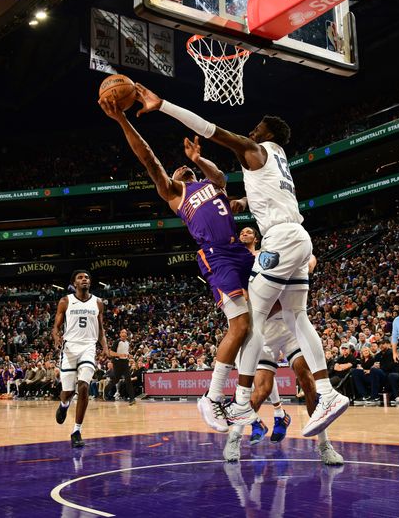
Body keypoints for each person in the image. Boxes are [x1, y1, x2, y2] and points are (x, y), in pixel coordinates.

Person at [134, 83, 348, 437]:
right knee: (296, 315)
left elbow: (208, 128)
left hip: (277, 240)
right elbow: (237, 195)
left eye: (258, 127)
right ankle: (326, 393)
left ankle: (239, 403)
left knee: (252, 321)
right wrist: (231, 195)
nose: (252, 131)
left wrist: (163, 105)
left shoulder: (254, 150)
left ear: (269, 135)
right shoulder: (277, 160)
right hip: (295, 236)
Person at [99, 96, 258, 432]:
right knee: (240, 325)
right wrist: (122, 121)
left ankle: (243, 403)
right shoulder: (174, 192)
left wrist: (199, 159)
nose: (181, 168)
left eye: (186, 167)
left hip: (241, 252)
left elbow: (220, 177)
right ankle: (212, 397)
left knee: (260, 324)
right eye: (179, 168)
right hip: (217, 255)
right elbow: (149, 160)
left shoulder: (208, 184)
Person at [224, 226, 343, 465]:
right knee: (261, 390)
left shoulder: (276, 254)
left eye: (250, 231)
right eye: (242, 232)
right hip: (264, 330)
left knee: (306, 376)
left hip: (289, 329)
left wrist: (305, 266)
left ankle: (324, 444)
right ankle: (234, 438)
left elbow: (311, 259)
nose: (246, 234)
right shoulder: (242, 262)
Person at [52, 270, 111, 448]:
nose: (84, 279)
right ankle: (64, 404)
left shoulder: (98, 303)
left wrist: (105, 346)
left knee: (84, 386)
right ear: (74, 283)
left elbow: (100, 328)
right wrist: (56, 337)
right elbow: (56, 327)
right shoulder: (65, 301)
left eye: (87, 277)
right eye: (80, 277)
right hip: (69, 348)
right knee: (67, 392)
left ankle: (76, 430)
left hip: (88, 347)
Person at [113, 329, 135, 406]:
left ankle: (132, 398)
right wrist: (119, 355)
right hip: (117, 362)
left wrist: (129, 355)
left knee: (128, 380)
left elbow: (126, 353)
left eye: (125, 332)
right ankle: (107, 391)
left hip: (125, 362)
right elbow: (111, 353)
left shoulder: (128, 343)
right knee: (115, 379)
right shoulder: (117, 342)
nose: (124, 333)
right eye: (122, 332)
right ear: (120, 334)